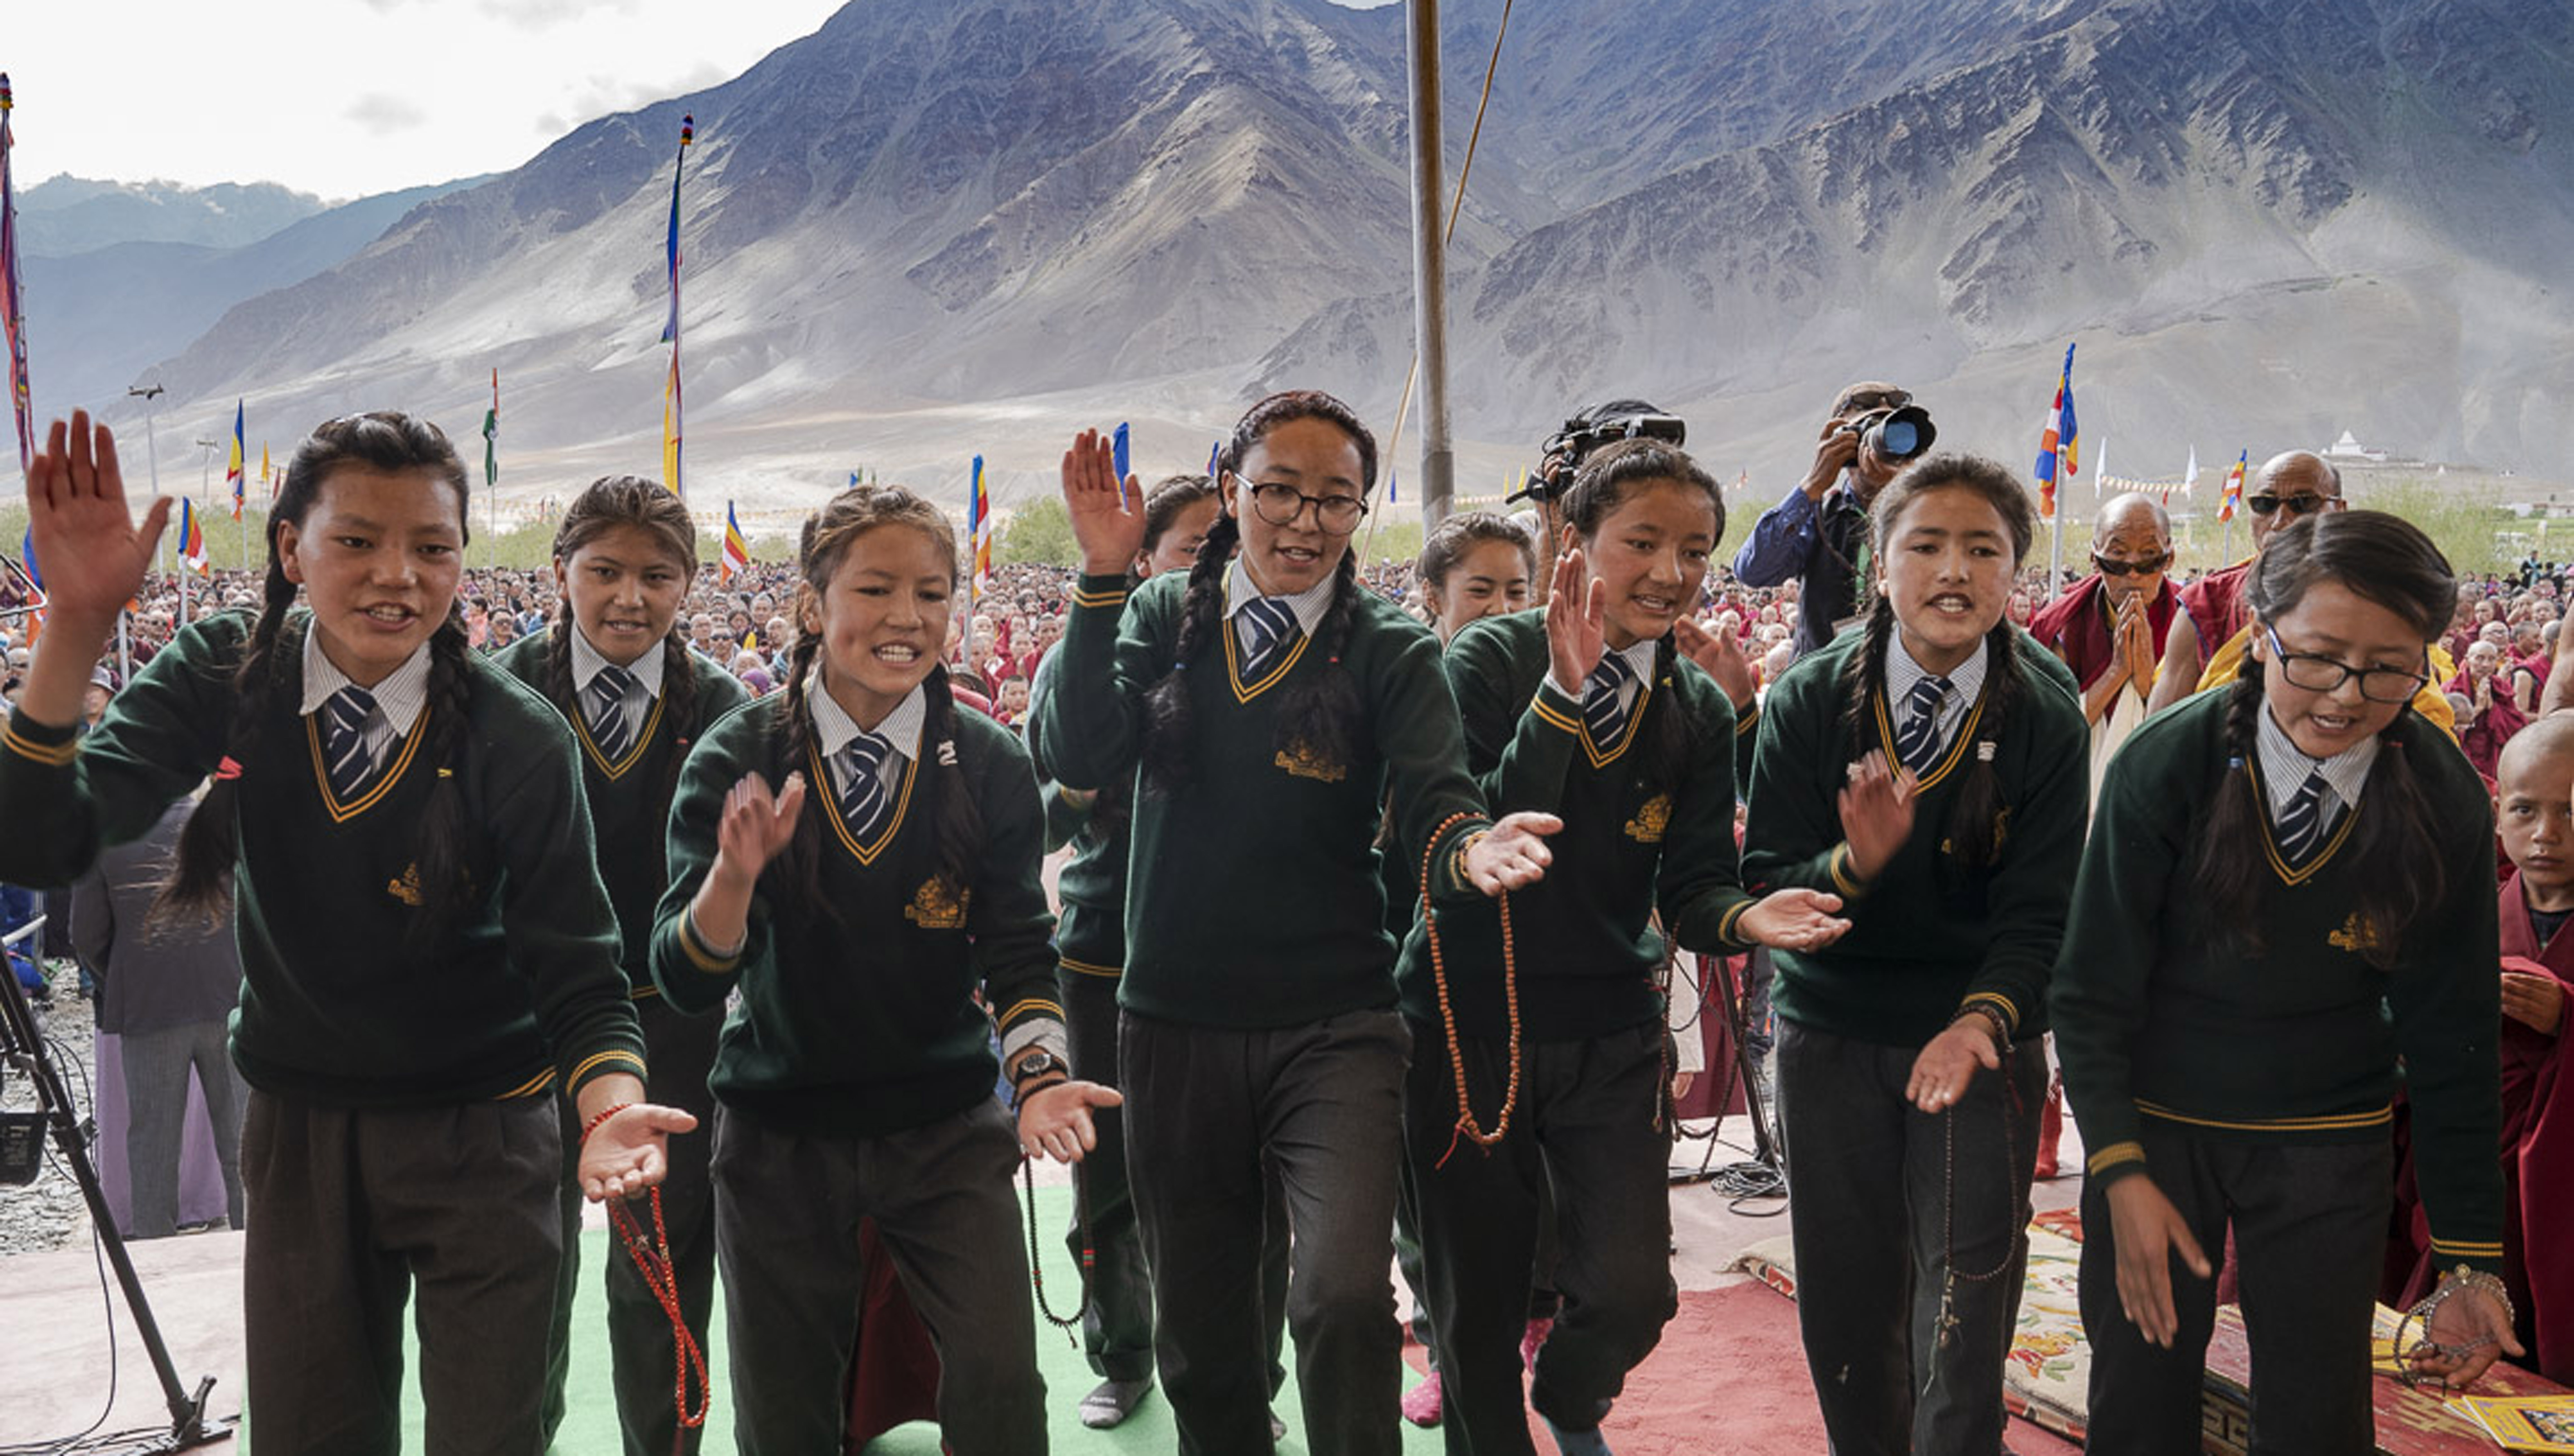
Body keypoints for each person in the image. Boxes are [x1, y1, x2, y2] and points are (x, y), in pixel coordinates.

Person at [0, 410, 685, 1452]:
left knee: (494, 1432)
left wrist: (610, 1107)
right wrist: (79, 626)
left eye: (433, 547)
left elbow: (580, 974)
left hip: (490, 1139)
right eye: (356, 540)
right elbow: (37, 838)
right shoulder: (226, 671)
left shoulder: (518, 736)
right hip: (303, 1128)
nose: (396, 575)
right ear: (291, 548)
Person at [1038, 394, 1559, 1456]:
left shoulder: (1391, 652)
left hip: (1338, 1025)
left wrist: (1466, 850)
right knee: (1202, 1334)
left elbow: (1436, 798)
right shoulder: (1153, 618)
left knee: (1337, 1297)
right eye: (1279, 489)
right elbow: (1079, 753)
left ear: (1363, 515)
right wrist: (1100, 575)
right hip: (1172, 1023)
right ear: (1232, 490)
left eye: (1336, 499)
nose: (1305, 520)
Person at [650, 482, 1119, 1455]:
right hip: (780, 1135)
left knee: (999, 1387)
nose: (908, 618)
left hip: (946, 1132)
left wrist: (1035, 1079)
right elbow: (686, 979)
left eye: (933, 593)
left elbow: (1020, 950)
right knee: (784, 1412)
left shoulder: (989, 763)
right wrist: (733, 880)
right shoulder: (738, 754)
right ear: (813, 605)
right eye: (876, 589)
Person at [1407, 439, 1850, 1456]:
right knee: (1475, 1301)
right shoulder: (1488, 658)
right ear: (1575, 541)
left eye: (1694, 549)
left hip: (1612, 1028)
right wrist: (1561, 697)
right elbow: (1456, 826)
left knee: (1632, 1292)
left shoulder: (1694, 704)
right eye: (1641, 541)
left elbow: (1693, 887)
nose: (1670, 570)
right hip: (1474, 1017)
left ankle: (1567, 1394)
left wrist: (1746, 917)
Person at [2052, 510, 2518, 1452]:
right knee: (2139, 1404)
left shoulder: (2442, 799)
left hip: (2327, 1139)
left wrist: (2472, 1263)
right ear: (2260, 638)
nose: (2346, 698)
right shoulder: (2167, 764)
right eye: (2316, 658)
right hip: (2159, 1130)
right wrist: (2120, 1173)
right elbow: (2090, 994)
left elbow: (2453, 1037)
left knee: (2317, 1415)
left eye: (2389, 667)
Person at [1741, 451, 2089, 1455]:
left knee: (1966, 1294)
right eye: (1926, 545)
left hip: (1976, 1041)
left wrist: (1980, 1024)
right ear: (1880, 567)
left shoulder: (2045, 711)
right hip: (1832, 1037)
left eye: (1983, 549)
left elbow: (2042, 915)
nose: (1954, 570)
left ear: (2013, 570)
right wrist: (1852, 866)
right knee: (1849, 1291)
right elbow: (1768, 881)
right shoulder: (1809, 698)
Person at [1026, 472, 1293, 1432]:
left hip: (1241, 967)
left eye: (1232, 541)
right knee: (1107, 1184)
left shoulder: (1289, 654)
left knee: (1251, 1195)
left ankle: (1247, 1380)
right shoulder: (1095, 653)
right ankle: (1124, 1354)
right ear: (1145, 564)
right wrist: (1096, 785)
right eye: (1192, 548)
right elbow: (1053, 793)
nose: (1218, 562)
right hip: (1106, 957)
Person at [494, 475, 751, 1456]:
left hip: (673, 1036)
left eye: (656, 574)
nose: (628, 597)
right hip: (519, 1032)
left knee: (665, 1272)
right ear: (562, 571)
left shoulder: (727, 711)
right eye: (604, 571)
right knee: (524, 1267)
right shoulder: (495, 694)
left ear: (691, 583)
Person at [1392, 509, 1541, 1430]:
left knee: (1540, 1201)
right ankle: (1447, 1347)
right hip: (1431, 982)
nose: (1500, 608)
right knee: (1435, 1206)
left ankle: (1528, 1328)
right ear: (1431, 599)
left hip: (1542, 985)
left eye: (1516, 591)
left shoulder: (1555, 683)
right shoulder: (1402, 695)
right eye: (1478, 590)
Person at [70, 792, 248, 1239]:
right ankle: (255, 1252)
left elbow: (86, 934)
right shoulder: (223, 824)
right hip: (228, 997)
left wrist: (125, 976)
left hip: (150, 1004)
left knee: (152, 1144)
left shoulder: (104, 835)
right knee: (242, 1141)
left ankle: (156, 1262)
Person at [1729, 383, 1928, 657]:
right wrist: (1812, 484)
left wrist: (1900, 496)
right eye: (1868, 432)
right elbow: (1754, 570)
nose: (1882, 447)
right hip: (1820, 685)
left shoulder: (1928, 514)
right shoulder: (1817, 514)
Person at [2145, 451, 2343, 715]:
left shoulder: (2372, 604)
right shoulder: (2205, 603)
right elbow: (2162, 734)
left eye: (2303, 503)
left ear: (2339, 511)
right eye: (2265, 504)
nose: (2280, 520)